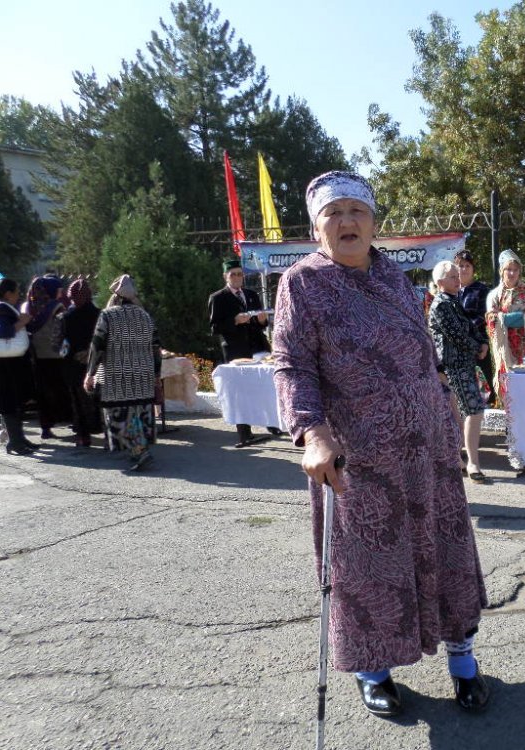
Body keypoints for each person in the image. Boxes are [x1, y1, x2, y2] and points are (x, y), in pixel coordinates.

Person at [272, 170, 489, 718]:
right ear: (316, 227)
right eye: (333, 213)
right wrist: (313, 433)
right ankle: (374, 672)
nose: (347, 221)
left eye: (357, 211)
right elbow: (291, 365)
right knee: (368, 569)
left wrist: (441, 402)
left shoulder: (392, 273)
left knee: (447, 554)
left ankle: (463, 661)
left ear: (372, 222)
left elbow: (419, 349)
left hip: (428, 451)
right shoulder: (301, 283)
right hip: (359, 460)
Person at [83, 275, 161, 472]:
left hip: (117, 376)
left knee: (121, 415)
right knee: (137, 414)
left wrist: (90, 373)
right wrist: (156, 375)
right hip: (142, 374)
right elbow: (156, 348)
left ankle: (140, 451)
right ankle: (139, 450)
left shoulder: (108, 315)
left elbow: (97, 346)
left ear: (115, 297)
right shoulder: (145, 316)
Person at [429, 260, 491, 483]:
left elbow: (471, 327)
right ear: (440, 282)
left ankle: (460, 460)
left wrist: (483, 342)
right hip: (452, 367)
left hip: (462, 364)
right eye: (453, 277)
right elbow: (457, 336)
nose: (458, 280)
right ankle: (471, 463)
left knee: (462, 414)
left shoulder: (454, 301)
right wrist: (477, 348)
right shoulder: (441, 305)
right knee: (471, 411)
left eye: (458, 276)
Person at [208, 259, 276, 447]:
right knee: (240, 391)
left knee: (265, 386)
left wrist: (262, 320)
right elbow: (214, 327)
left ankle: (272, 423)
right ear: (225, 276)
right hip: (236, 350)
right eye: (233, 274)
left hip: (258, 347)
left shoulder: (251, 294)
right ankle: (244, 432)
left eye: (240, 274)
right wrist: (235, 321)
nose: (237, 277)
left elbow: (260, 323)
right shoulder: (218, 298)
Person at [485, 249, 525, 406]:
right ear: (501, 271)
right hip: (505, 352)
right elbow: (491, 321)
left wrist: (504, 318)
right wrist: (521, 318)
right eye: (508, 269)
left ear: (519, 272)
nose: (512, 273)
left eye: (515, 270)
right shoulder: (494, 295)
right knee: (509, 393)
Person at [24, 275, 71, 440]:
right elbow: (63, 331)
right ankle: (69, 421)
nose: (61, 292)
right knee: (61, 390)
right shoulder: (57, 307)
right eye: (59, 289)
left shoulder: (31, 307)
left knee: (43, 393)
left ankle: (46, 428)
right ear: (52, 290)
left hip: (37, 356)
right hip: (57, 356)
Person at [59, 279, 102, 447]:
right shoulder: (100, 315)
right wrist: (89, 353)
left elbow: (59, 344)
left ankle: (84, 436)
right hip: (96, 363)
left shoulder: (65, 317)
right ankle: (105, 433)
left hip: (74, 364)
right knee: (99, 399)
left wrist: (75, 355)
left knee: (78, 401)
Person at [0, 278, 38, 455]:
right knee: (9, 402)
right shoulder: (3, 308)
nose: (19, 294)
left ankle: (18, 439)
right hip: (6, 365)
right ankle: (15, 442)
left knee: (15, 402)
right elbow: (3, 331)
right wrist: (22, 322)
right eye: (16, 291)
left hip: (10, 363)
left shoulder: (6, 308)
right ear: (8, 294)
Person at [454, 249, 494, 405]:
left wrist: (482, 342)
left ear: (473, 269)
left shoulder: (482, 290)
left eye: (467, 266)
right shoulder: (451, 290)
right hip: (457, 348)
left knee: (483, 393)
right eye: (461, 266)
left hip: (477, 347)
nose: (464, 269)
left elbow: (484, 318)